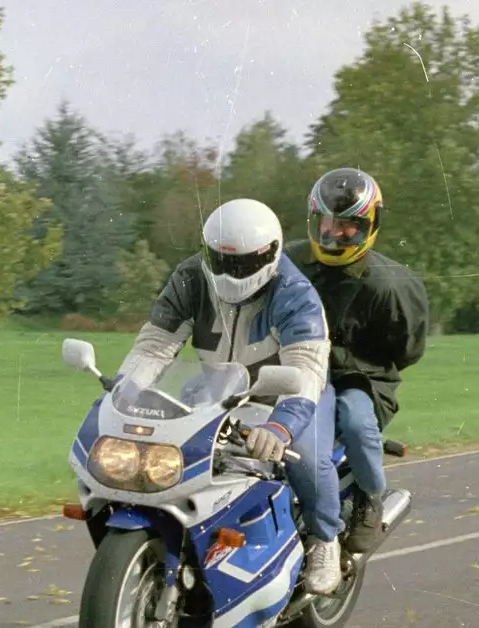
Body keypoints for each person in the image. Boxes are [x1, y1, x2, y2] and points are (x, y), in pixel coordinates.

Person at [115, 198, 343, 595]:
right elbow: (155, 346)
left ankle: (326, 540)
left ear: (269, 254)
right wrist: (121, 395)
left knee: (307, 457)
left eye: (241, 265)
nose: (228, 273)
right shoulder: (190, 277)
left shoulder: (295, 293)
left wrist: (282, 426)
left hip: (286, 396)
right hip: (220, 387)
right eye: (219, 260)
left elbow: (307, 369)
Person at [284, 168, 429, 554]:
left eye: (349, 226)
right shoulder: (289, 260)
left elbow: (408, 350)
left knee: (355, 422)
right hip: (292, 369)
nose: (334, 233)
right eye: (328, 222)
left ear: (370, 225)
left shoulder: (391, 284)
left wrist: (353, 361)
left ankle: (370, 497)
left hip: (360, 378)